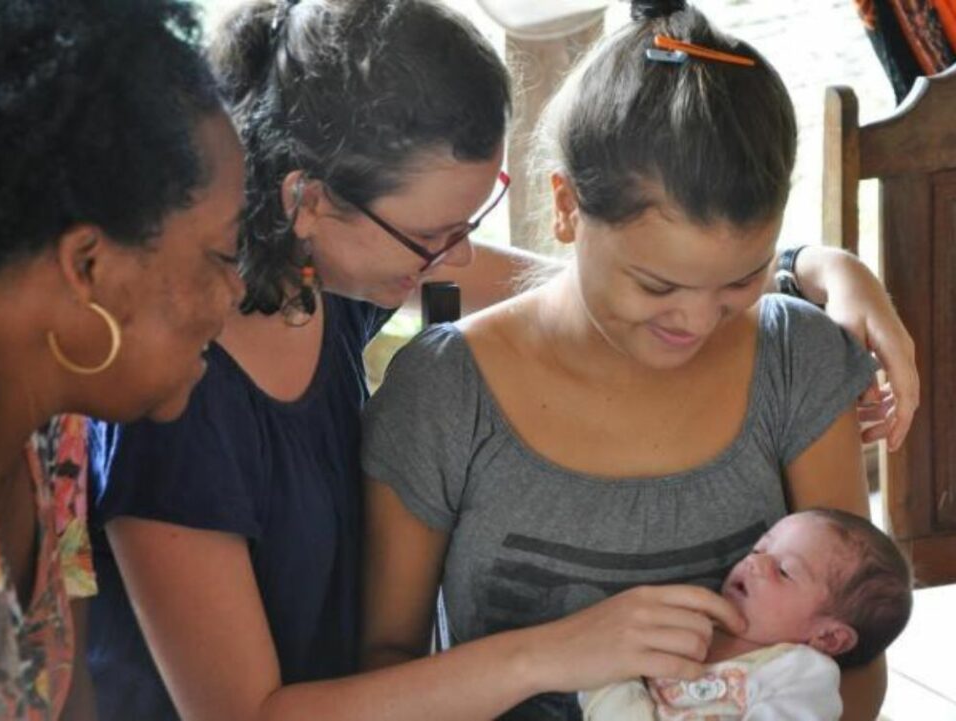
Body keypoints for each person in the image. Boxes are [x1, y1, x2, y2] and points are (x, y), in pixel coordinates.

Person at [88, 0, 915, 720]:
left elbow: (584, 283)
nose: (455, 263)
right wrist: (559, 650)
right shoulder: (176, 400)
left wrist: (812, 269)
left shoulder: (319, 282)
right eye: (436, 236)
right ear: (308, 202)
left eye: (469, 222)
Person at [360, 1, 894, 720]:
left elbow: (852, 666)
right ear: (566, 208)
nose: (698, 320)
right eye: (657, 285)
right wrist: (559, 649)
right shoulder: (445, 394)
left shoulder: (795, 361)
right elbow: (383, 664)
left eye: (741, 280)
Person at [0, 0, 246, 718]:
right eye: (222, 254)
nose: (235, 291)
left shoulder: (54, 433)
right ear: (89, 266)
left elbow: (71, 700)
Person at [580, 509, 913, 720]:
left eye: (784, 571)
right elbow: (605, 674)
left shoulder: (800, 672)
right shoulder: (687, 622)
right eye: (760, 549)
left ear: (827, 636)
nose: (755, 562)